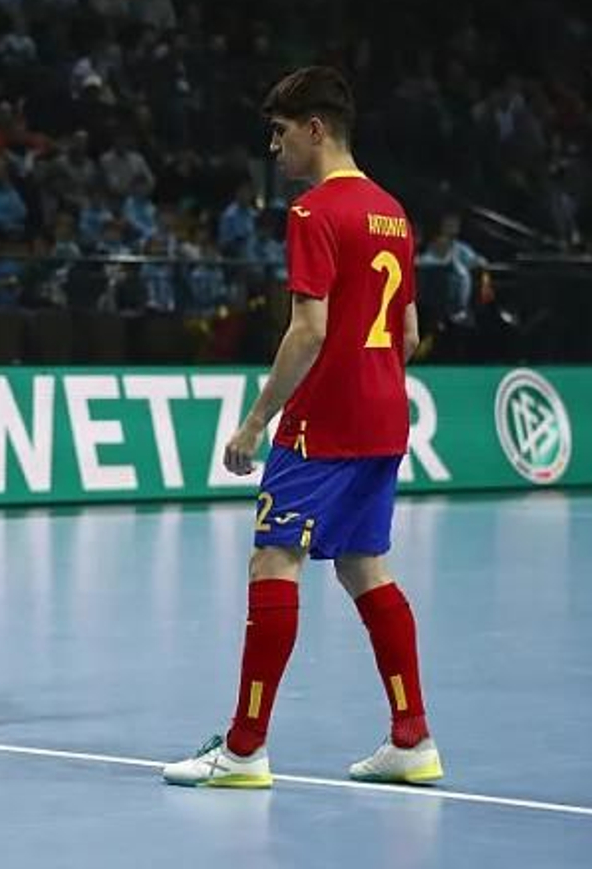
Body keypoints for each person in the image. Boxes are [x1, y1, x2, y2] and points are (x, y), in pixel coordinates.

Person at [163, 67, 441, 788]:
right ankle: (412, 736)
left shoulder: (315, 214)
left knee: (273, 562)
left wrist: (256, 422)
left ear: (316, 130)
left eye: (281, 132)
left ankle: (244, 748)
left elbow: (308, 330)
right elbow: (407, 333)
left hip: (323, 426)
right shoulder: (393, 212)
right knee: (363, 566)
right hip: (385, 418)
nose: (273, 146)